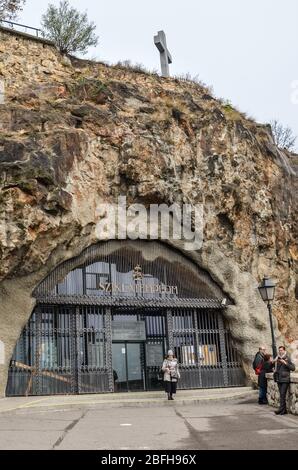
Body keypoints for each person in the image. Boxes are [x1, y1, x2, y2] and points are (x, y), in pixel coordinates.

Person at [272, 345, 296, 415]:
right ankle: (283, 410)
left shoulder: (287, 358)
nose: (280, 351)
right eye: (279, 350)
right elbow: (274, 367)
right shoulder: (278, 358)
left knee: (282, 394)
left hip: (285, 379)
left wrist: (285, 363)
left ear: (284, 351)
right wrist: (274, 362)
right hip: (279, 379)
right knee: (281, 395)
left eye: (281, 350)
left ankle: (280, 409)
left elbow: (293, 368)